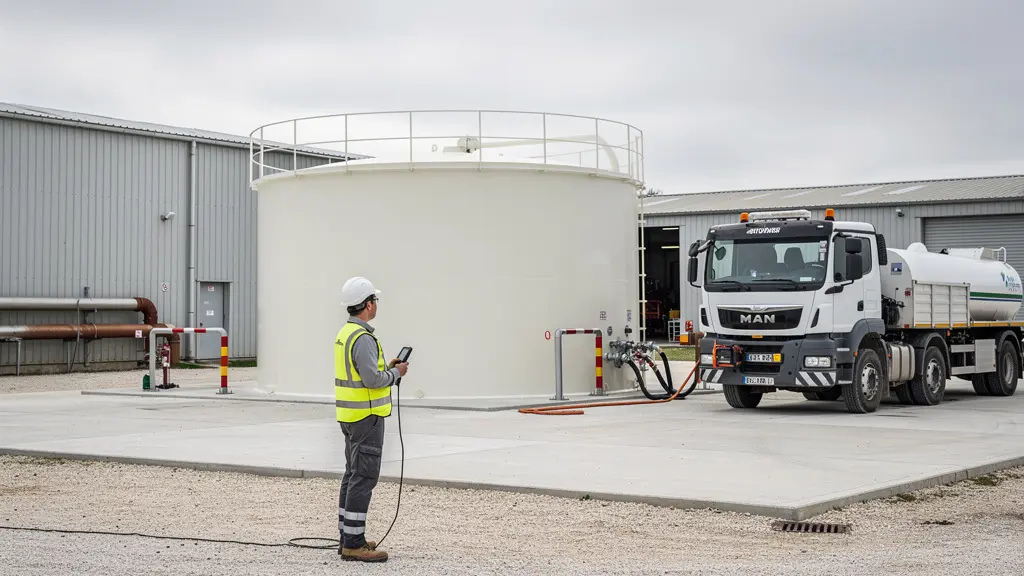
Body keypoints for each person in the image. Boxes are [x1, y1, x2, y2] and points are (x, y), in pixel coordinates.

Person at [334, 276, 408, 563]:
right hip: (367, 417)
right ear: (367, 304)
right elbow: (372, 379)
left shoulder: (345, 333)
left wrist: (386, 367)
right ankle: (353, 543)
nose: (376, 304)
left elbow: (361, 372)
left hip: (350, 416)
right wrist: (396, 374)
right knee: (363, 477)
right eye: (375, 300)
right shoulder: (363, 338)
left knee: (352, 475)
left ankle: (348, 536)